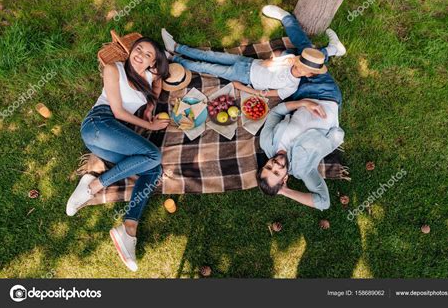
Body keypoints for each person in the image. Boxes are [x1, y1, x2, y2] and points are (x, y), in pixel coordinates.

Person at [66, 37, 170, 272]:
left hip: (114, 138)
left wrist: (151, 107)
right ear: (131, 50)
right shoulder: (115, 69)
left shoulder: (150, 78)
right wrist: (151, 127)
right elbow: (118, 111)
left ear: (153, 63)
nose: (140, 55)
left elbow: (157, 88)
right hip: (99, 124)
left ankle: (129, 230)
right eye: (138, 49)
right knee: (154, 155)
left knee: (153, 168)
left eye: (148, 55)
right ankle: (93, 187)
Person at [256, 5, 346, 209]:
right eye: (277, 172)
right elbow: (324, 203)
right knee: (305, 56)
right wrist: (285, 192)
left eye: (269, 166)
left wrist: (303, 103)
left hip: (299, 94)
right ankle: (291, 21)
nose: (276, 164)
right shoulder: (304, 170)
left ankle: (330, 50)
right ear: (284, 178)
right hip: (326, 94)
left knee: (290, 57)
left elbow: (277, 111)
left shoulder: (266, 143)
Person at [160, 19, 343, 100]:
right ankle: (176, 47)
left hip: (245, 77)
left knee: (207, 67)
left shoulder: (291, 86)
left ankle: (174, 58)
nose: (300, 66)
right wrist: (282, 60)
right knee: (211, 55)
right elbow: (265, 63)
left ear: (309, 74)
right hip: (246, 62)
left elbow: (268, 94)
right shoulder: (288, 61)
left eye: (306, 69)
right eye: (301, 61)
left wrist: (243, 88)